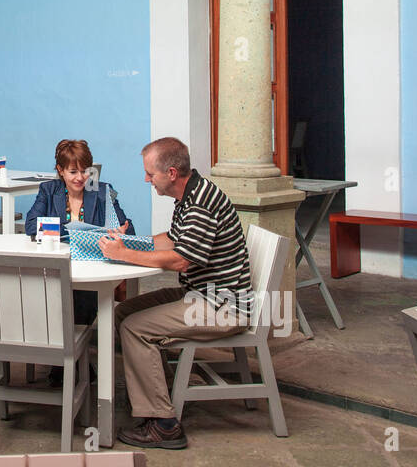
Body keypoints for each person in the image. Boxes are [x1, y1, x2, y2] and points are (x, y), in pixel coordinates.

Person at [99, 137, 253, 450]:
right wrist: (130, 243)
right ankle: (159, 387)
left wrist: (123, 255)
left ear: (170, 173)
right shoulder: (190, 194)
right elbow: (172, 239)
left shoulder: (199, 203)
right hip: (202, 293)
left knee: (134, 328)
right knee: (122, 312)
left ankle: (163, 424)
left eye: (150, 174)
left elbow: (182, 259)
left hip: (222, 306)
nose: (146, 179)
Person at [24, 139, 129, 386]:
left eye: (85, 171)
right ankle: (70, 360)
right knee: (52, 294)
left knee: (81, 297)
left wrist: (119, 231)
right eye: (73, 172)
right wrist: (74, 231)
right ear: (60, 170)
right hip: (55, 264)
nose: (80, 178)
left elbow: (126, 225)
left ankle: (67, 360)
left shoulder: (102, 190)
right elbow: (31, 226)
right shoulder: (48, 190)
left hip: (91, 266)